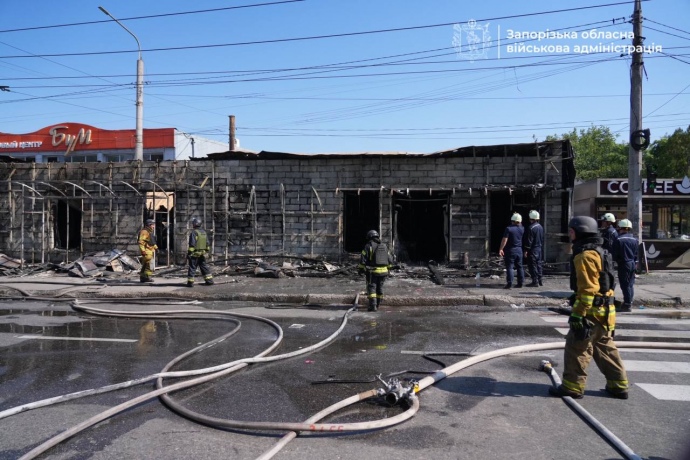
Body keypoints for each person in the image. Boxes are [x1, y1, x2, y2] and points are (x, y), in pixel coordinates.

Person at [549, 216, 629, 400]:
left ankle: (572, 387)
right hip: (605, 312)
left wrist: (578, 314)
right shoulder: (599, 251)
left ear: (579, 232)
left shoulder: (584, 255)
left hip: (591, 314)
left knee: (577, 348)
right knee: (605, 349)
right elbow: (601, 284)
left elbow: (588, 290)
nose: (570, 235)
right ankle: (619, 385)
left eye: (571, 231)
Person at [358, 229, 393, 311]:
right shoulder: (384, 246)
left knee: (372, 288)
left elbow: (363, 260)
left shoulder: (368, 246)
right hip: (384, 272)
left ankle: (373, 306)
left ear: (369, 237)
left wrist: (361, 269)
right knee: (380, 288)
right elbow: (390, 259)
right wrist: (388, 269)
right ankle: (378, 304)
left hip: (372, 272)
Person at [613, 219, 638, 313]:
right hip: (632, 263)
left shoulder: (618, 239)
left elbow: (614, 254)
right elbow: (636, 254)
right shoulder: (635, 240)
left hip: (624, 264)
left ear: (620, 228)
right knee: (630, 284)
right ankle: (629, 302)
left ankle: (627, 305)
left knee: (625, 284)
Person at [498, 213, 524, 289]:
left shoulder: (509, 229)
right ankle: (520, 283)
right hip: (519, 249)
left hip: (511, 250)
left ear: (512, 220)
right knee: (520, 267)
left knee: (510, 267)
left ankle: (509, 283)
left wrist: (501, 249)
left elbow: (504, 240)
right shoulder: (522, 228)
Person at [187, 217, 214, 287]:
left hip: (195, 254)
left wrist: (189, 253)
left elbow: (192, 244)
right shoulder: (204, 232)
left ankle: (190, 283)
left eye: (193, 223)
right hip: (202, 253)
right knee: (204, 267)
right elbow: (207, 244)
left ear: (195, 224)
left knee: (192, 268)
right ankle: (209, 281)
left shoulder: (194, 232)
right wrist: (206, 251)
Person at [524, 210, 544, 287]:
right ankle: (540, 280)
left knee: (532, 265)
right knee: (539, 264)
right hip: (539, 248)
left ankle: (535, 281)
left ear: (530, 218)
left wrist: (526, 250)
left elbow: (529, 240)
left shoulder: (531, 228)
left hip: (533, 249)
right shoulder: (540, 227)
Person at [138, 218, 158, 283]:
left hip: (149, 250)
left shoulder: (149, 232)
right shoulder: (144, 232)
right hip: (147, 251)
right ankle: (147, 277)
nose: (154, 226)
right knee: (149, 265)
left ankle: (143, 278)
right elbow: (141, 242)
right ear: (149, 225)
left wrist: (156, 248)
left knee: (145, 265)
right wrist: (143, 250)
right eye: (153, 225)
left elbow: (151, 242)